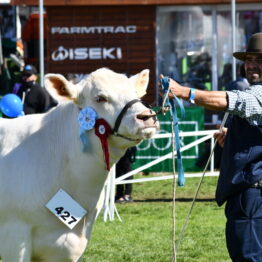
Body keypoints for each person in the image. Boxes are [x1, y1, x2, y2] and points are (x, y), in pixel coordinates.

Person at [162, 32, 262, 262]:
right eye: (248, 60)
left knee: (249, 257)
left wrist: (184, 92)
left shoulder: (258, 93)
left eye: (259, 60)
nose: (251, 65)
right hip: (253, 193)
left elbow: (228, 100)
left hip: (252, 196)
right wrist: (235, 136)